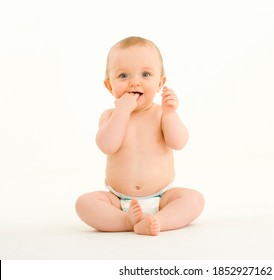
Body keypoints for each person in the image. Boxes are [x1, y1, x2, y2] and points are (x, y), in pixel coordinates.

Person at [75, 36, 204, 236]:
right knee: (85, 203)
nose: (134, 82)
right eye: (123, 76)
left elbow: (179, 142)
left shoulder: (162, 113)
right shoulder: (110, 116)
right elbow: (107, 146)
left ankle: (157, 220)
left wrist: (171, 114)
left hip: (162, 198)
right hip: (117, 200)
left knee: (194, 199)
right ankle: (126, 221)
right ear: (110, 86)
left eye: (145, 74)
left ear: (160, 82)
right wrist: (122, 113)